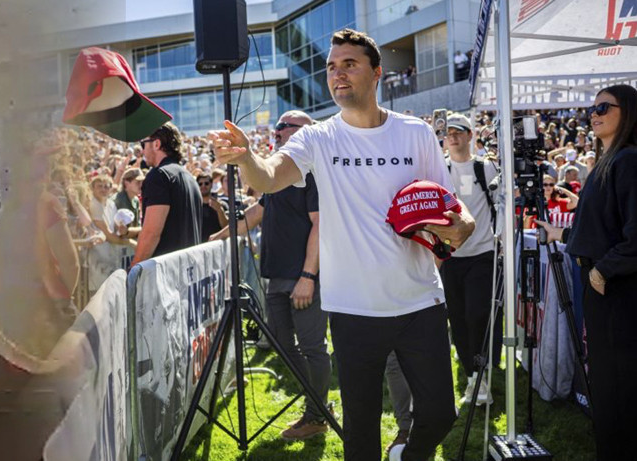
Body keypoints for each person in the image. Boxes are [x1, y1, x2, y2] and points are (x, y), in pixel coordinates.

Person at [209, 28, 475, 461]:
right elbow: (270, 176)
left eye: (349, 64)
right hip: (354, 309)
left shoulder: (415, 133)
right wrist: (245, 160)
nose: (337, 74)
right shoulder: (319, 137)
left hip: (420, 301)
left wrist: (462, 224)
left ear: (377, 73)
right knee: (361, 433)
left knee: (441, 413)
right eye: (331, 66)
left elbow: (447, 207)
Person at [211, 110, 334, 441]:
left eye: (284, 126)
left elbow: (320, 226)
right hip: (276, 276)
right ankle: (319, 407)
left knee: (312, 347)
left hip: (304, 277)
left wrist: (308, 275)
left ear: (305, 132)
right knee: (281, 344)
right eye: (277, 127)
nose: (276, 132)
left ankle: (317, 414)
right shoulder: (279, 173)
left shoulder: (313, 173)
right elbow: (257, 212)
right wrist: (219, 237)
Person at [536, 84, 637, 461]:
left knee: (619, 387)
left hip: (617, 292)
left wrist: (603, 272)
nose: (593, 114)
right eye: (591, 108)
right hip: (600, 288)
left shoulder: (627, 161)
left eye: (603, 107)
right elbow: (598, 228)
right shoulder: (608, 161)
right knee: (608, 385)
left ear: (626, 112)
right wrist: (560, 233)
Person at [441, 113, 501, 406]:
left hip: (482, 253)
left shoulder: (486, 167)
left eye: (459, 132)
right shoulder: (439, 168)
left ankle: (482, 372)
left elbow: (501, 206)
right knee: (458, 320)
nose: (453, 137)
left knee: (477, 314)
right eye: (449, 132)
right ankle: (471, 377)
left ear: (469, 136)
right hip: (450, 257)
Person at [130, 122, 202, 266]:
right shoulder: (190, 178)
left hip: (167, 274)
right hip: (189, 271)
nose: (142, 151)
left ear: (156, 144)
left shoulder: (159, 176)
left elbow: (151, 233)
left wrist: (134, 270)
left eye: (143, 144)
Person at [197, 172, 228, 239]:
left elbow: (226, 227)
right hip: (198, 246)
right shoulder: (194, 206)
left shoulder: (221, 204)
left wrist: (220, 210)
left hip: (217, 244)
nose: (203, 186)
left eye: (206, 183)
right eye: (200, 184)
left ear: (211, 185)